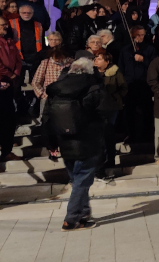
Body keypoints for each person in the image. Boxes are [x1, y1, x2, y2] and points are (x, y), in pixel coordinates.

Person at [45, 57, 107, 231]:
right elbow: (106, 111)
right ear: (89, 70)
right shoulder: (93, 88)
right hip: (87, 141)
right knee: (82, 181)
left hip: (64, 141)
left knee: (78, 180)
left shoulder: (56, 90)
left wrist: (50, 143)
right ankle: (71, 219)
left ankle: (83, 213)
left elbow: (47, 119)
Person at [118, 26, 156, 142]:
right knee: (129, 112)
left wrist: (143, 60)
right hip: (130, 85)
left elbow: (154, 66)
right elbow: (121, 67)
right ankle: (131, 134)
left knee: (147, 111)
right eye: (138, 35)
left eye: (143, 35)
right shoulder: (125, 50)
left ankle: (147, 135)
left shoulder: (150, 49)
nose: (141, 37)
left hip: (144, 84)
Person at [93, 51, 127, 181]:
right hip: (97, 107)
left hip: (111, 107)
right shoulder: (92, 73)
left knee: (109, 133)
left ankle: (110, 160)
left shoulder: (115, 72)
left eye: (100, 59)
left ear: (107, 61)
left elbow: (123, 88)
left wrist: (115, 97)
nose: (96, 61)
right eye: (96, 59)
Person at [0, 16, 22, 162]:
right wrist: (8, 75)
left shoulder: (9, 42)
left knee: (9, 119)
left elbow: (18, 60)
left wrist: (15, 74)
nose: (5, 27)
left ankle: (7, 151)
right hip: (2, 81)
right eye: (2, 25)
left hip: (9, 85)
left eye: (5, 25)